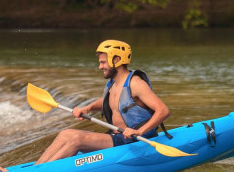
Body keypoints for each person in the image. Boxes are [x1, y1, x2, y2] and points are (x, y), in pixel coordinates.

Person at [35, 39, 170, 164]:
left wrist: (140, 131)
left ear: (116, 60)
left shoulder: (136, 83)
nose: (100, 67)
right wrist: (87, 108)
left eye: (103, 62)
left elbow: (163, 111)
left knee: (77, 139)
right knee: (66, 134)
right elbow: (110, 101)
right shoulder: (114, 83)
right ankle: (36, 168)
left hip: (133, 141)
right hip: (116, 137)